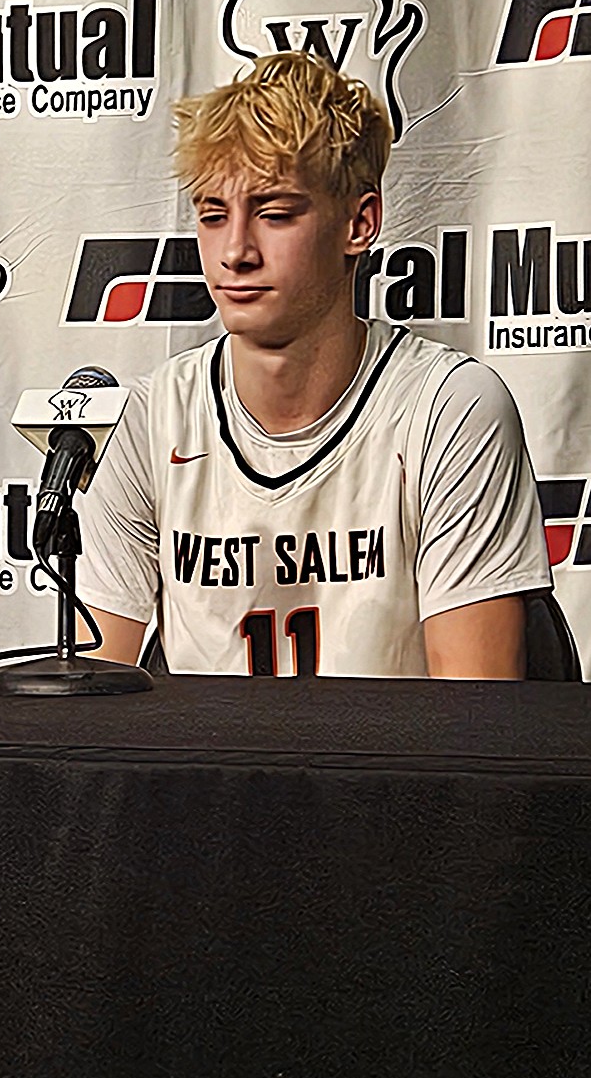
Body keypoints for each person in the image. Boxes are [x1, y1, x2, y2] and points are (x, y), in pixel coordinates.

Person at [76, 51, 549, 678]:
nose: (236, 252)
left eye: (274, 214)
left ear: (360, 222)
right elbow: (93, 717)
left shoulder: (449, 408)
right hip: (202, 776)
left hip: (394, 776)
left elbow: (473, 727)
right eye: (213, 216)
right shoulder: (149, 420)